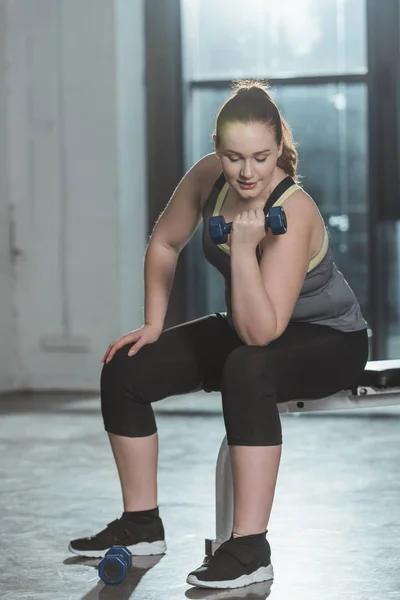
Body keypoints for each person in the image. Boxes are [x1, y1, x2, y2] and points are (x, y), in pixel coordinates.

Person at [68, 80, 369, 589]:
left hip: (330, 339)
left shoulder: (294, 211)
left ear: (278, 150)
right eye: (233, 157)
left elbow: (261, 333)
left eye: (260, 157)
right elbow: (165, 242)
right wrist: (154, 324)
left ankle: (250, 548)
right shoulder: (210, 179)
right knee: (126, 367)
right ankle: (142, 525)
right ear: (217, 151)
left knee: (246, 367)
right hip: (253, 327)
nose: (247, 172)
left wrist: (247, 247)